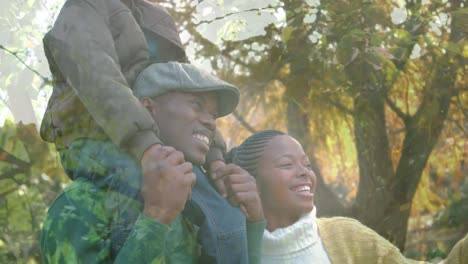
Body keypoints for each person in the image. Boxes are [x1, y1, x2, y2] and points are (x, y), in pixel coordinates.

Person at [41, 62, 266, 263]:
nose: (210, 122)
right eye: (196, 104)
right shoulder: (78, 206)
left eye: (213, 115)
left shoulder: (205, 202)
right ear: (148, 109)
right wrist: (157, 216)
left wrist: (253, 222)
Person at [226, 129, 468, 264]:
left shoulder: (346, 237)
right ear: (251, 181)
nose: (304, 173)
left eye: (307, 165)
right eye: (287, 164)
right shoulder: (230, 251)